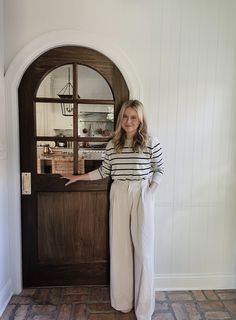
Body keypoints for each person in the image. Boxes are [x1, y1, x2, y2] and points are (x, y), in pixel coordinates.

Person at [62, 100, 164, 320]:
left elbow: (160, 169)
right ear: (120, 120)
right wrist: (78, 177)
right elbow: (104, 171)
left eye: (133, 117)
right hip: (118, 192)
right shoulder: (112, 144)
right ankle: (123, 301)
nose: (128, 121)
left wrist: (150, 193)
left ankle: (144, 307)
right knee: (120, 249)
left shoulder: (150, 142)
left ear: (140, 120)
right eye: (125, 117)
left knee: (144, 250)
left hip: (141, 192)